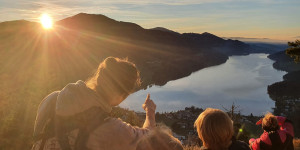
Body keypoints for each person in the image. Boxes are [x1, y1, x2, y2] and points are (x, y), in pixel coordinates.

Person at [32, 57, 157, 150]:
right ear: (122, 95)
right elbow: (148, 137)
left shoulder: (51, 99)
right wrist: (149, 111)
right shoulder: (110, 128)